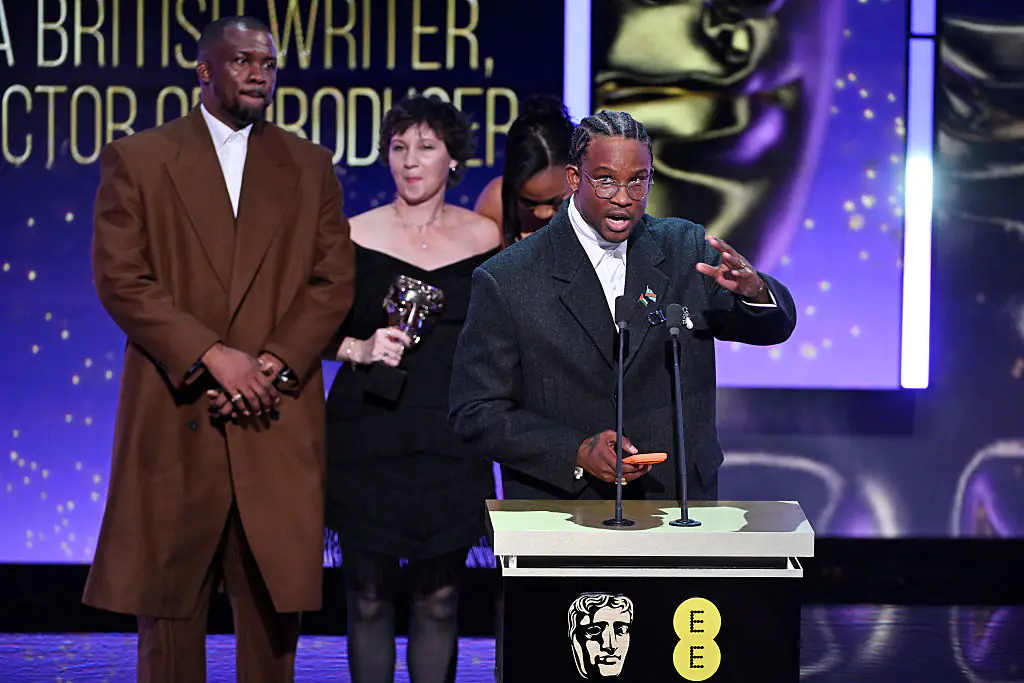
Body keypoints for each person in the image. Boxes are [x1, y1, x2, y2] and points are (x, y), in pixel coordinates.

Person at [84, 16, 355, 682]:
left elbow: (333, 279)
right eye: (242, 60)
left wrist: (276, 359)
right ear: (204, 71)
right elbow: (122, 277)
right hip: (180, 412)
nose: (259, 71)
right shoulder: (141, 158)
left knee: (271, 619)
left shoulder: (308, 165)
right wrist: (212, 353)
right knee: (170, 618)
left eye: (268, 61)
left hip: (274, 410)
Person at [449, 110, 796, 503]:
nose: (624, 198)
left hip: (677, 503)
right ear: (575, 178)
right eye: (606, 181)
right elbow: (476, 411)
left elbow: (772, 327)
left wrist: (754, 291)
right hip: (564, 514)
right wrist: (575, 451)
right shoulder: (509, 278)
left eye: (637, 181)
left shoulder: (685, 249)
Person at [323, 94, 500, 683]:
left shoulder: (485, 239)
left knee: (439, 599)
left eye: (425, 146)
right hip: (368, 435)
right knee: (368, 599)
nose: (410, 160)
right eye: (399, 147)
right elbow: (307, 328)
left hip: (451, 442)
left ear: (454, 159)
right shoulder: (353, 235)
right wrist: (359, 347)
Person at [474, 95, 575, 246]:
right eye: (528, 202)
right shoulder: (496, 203)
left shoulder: (602, 204)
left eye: (555, 201)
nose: (542, 213)